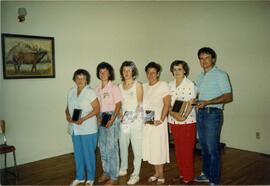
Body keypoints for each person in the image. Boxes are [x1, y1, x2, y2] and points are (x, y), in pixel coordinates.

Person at [194, 47, 233, 185]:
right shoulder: (200, 76)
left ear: (213, 59)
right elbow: (198, 96)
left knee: (212, 148)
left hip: (213, 114)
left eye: (207, 57)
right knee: (203, 148)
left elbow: (228, 96)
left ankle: (214, 180)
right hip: (201, 114)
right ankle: (206, 174)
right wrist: (195, 101)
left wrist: (208, 102)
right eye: (201, 58)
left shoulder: (221, 74)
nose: (204, 61)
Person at [65, 69, 100, 186]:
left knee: (88, 154)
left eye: (83, 78)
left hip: (88, 129)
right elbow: (67, 108)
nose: (80, 80)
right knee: (78, 154)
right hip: (75, 128)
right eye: (78, 78)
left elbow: (97, 109)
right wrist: (68, 116)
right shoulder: (71, 91)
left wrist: (83, 119)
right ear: (74, 79)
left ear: (86, 80)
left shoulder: (90, 92)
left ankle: (90, 178)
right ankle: (80, 177)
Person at [168, 60, 197, 184]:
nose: (177, 72)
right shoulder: (169, 85)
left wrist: (183, 117)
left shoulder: (190, 84)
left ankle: (188, 177)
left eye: (179, 69)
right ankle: (182, 173)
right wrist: (173, 115)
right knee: (178, 150)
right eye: (174, 69)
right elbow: (168, 103)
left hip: (187, 122)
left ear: (184, 70)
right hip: (173, 121)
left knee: (187, 150)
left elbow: (191, 103)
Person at [142, 62, 171, 185]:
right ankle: (156, 173)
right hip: (148, 120)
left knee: (159, 148)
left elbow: (167, 104)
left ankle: (161, 174)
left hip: (159, 121)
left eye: (153, 72)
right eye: (149, 72)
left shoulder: (163, 85)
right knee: (151, 148)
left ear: (158, 73)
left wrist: (161, 119)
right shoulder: (144, 86)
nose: (151, 74)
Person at [95, 62, 123, 186]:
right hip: (101, 118)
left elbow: (118, 105)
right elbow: (96, 106)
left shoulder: (114, 87)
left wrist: (112, 118)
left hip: (112, 116)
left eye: (105, 71)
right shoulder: (96, 88)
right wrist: (97, 117)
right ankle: (106, 172)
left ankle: (114, 176)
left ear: (109, 73)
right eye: (100, 71)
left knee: (112, 147)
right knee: (103, 147)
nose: (103, 73)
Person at [118, 61, 144, 185]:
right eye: (124, 70)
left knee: (136, 148)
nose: (126, 73)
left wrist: (131, 118)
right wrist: (121, 116)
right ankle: (123, 168)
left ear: (133, 72)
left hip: (136, 119)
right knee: (123, 145)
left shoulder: (137, 85)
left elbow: (140, 105)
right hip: (124, 120)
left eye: (129, 70)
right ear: (122, 72)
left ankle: (136, 174)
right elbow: (118, 105)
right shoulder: (119, 86)